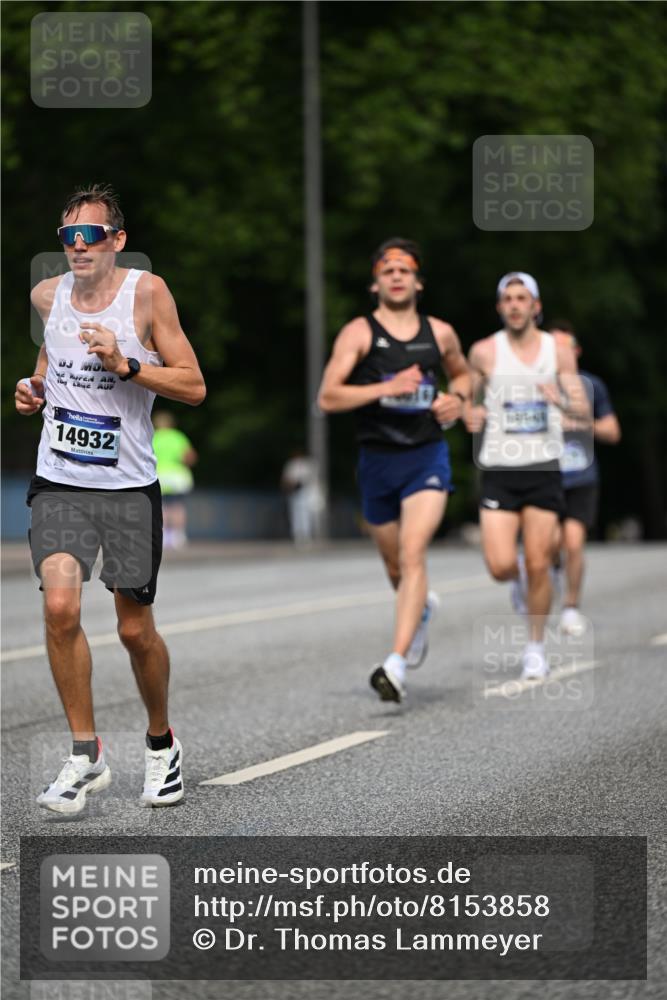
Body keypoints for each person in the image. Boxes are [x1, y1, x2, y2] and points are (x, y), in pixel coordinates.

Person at [15, 183, 206, 813]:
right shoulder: (48, 296)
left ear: (117, 240)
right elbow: (49, 362)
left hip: (127, 489)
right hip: (60, 481)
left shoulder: (146, 294)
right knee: (60, 607)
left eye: (90, 235)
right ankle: (84, 753)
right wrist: (33, 389)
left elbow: (194, 386)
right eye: (68, 235)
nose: (78, 246)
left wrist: (128, 365)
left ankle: (161, 742)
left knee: (133, 629)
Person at [318, 238, 471, 703]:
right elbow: (328, 397)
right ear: (376, 284)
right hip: (377, 461)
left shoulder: (439, 332)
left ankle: (396, 664)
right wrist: (386, 387)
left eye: (406, 270)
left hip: (426, 456)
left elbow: (464, 375)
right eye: (388, 270)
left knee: (412, 553)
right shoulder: (359, 333)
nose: (397, 276)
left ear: (418, 282)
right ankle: (419, 611)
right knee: (394, 565)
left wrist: (457, 399)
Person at [464, 273, 588, 680]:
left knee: (539, 563)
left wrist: (562, 399)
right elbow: (467, 398)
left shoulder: (558, 351)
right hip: (499, 467)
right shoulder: (484, 351)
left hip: (543, 466)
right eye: (508, 299)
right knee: (500, 566)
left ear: (536, 306)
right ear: (500, 307)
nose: (515, 305)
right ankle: (517, 579)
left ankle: (535, 649)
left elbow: (583, 411)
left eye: (522, 298)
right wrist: (470, 413)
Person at [547, 320, 621, 636]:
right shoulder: (537, 384)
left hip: (581, 477)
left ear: (576, 351)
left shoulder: (592, 386)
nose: (558, 352)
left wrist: (582, 424)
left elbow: (612, 432)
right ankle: (549, 574)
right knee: (549, 544)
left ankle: (570, 608)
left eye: (564, 346)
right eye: (551, 346)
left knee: (574, 543)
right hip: (545, 478)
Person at [153, 410, 198, 549]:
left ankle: (166, 536)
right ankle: (178, 536)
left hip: (159, 474)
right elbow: (190, 457)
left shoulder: (153, 436)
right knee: (178, 506)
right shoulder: (178, 437)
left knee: (162, 507)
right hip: (177, 475)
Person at [280, 450, 323, 545]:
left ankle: (306, 535)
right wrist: (290, 486)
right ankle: (298, 535)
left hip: (306, 493)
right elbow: (286, 480)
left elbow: (312, 479)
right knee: (296, 515)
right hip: (294, 493)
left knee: (306, 515)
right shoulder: (291, 465)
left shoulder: (307, 465)